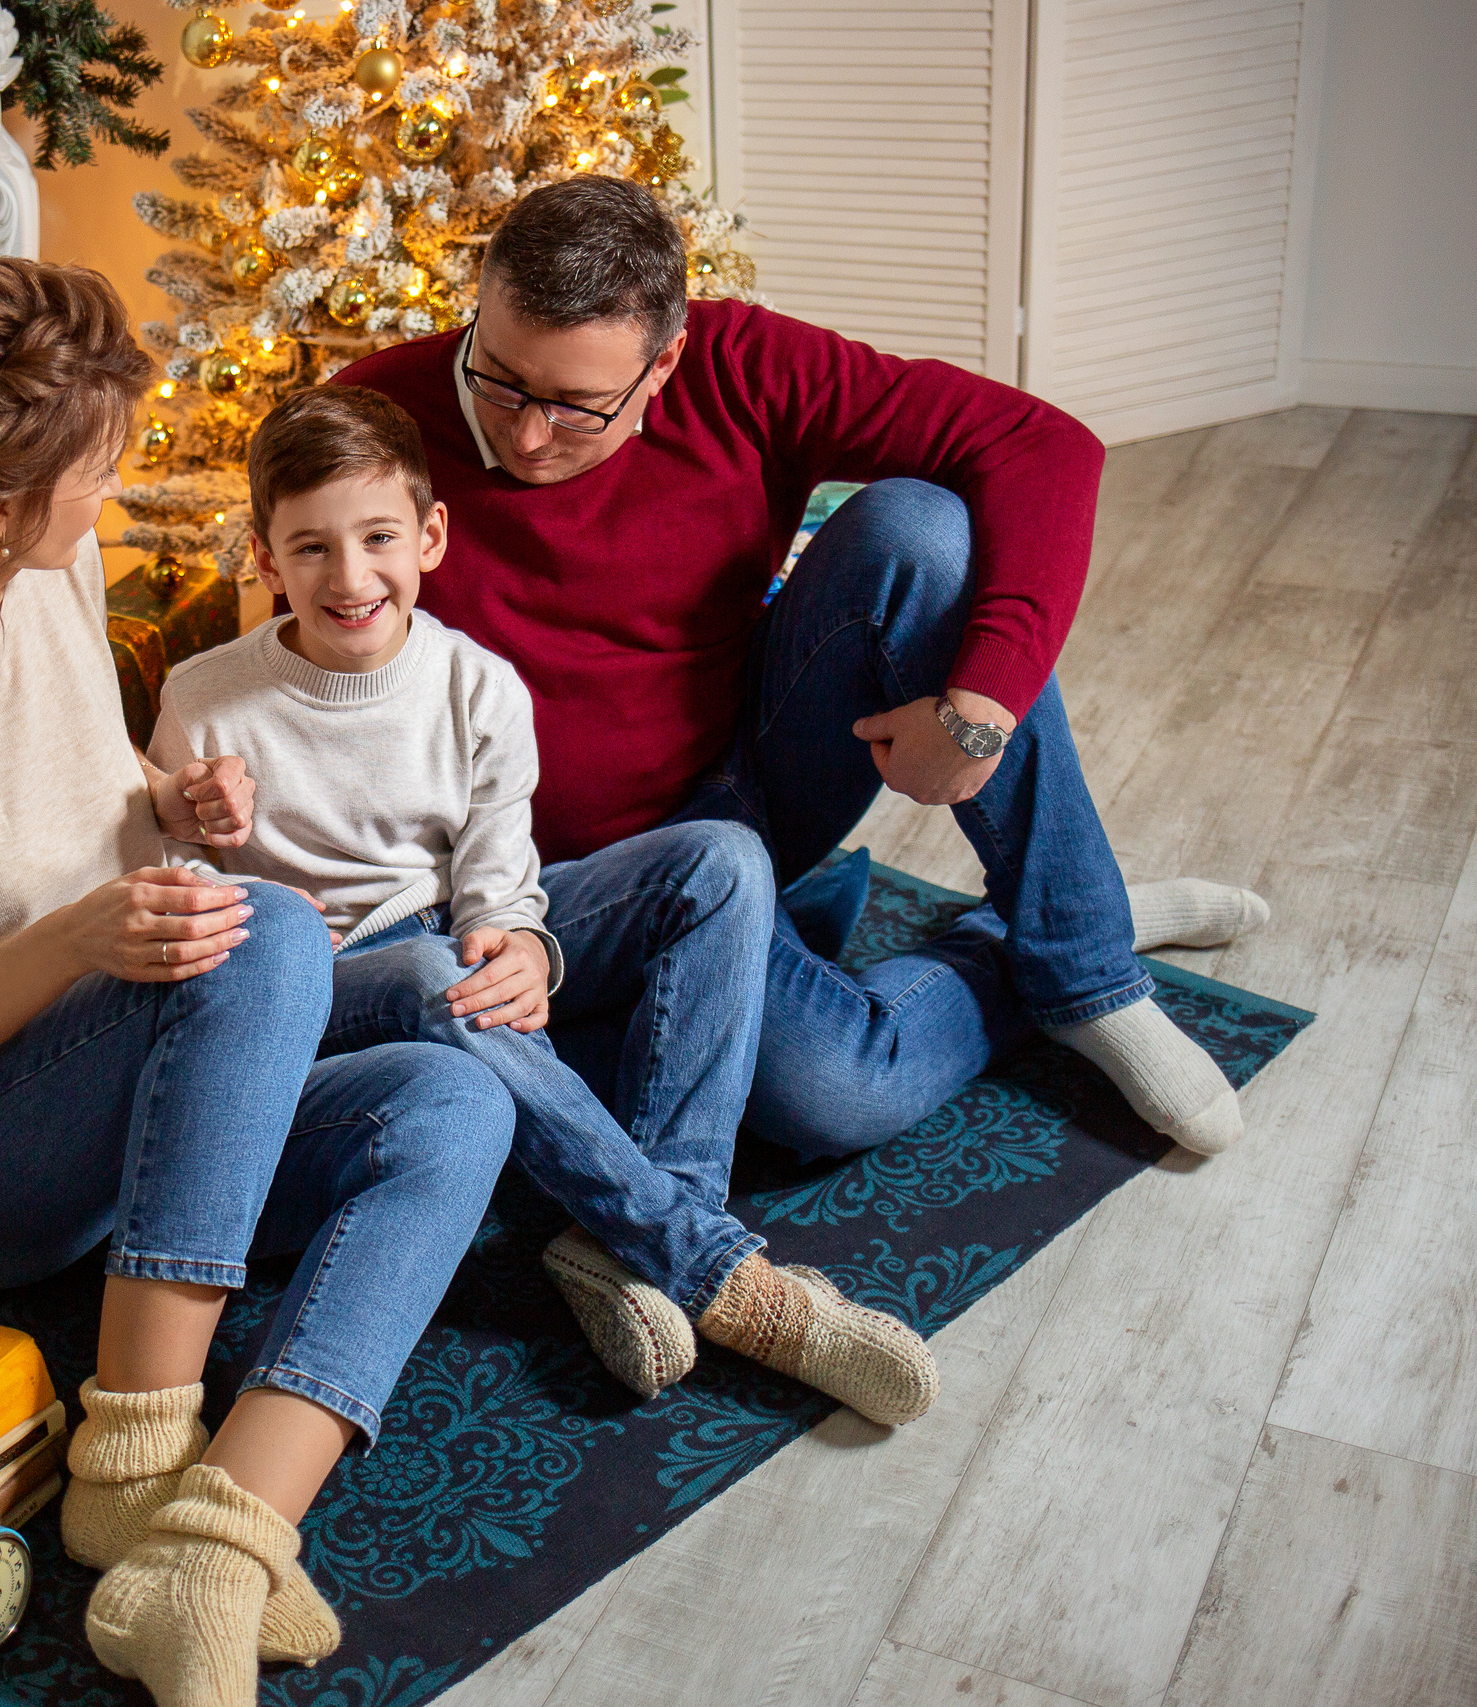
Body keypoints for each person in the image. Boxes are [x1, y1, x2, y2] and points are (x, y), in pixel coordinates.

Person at [0, 255, 514, 1707]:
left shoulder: (53, 570)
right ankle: (130, 1462)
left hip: (137, 1090)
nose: (111, 492)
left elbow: (93, 803)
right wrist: (77, 939)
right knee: (279, 934)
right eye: (94, 469)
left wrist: (182, 805)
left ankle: (221, 1542)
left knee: (447, 1099)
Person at [339, 174, 1272, 1172]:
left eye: (575, 408)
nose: (525, 435)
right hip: (548, 885)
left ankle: (1088, 969)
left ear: (665, 365)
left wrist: (980, 712)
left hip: (746, 781)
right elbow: (313, 682)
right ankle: (1073, 920)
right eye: (502, 378)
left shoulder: (743, 366)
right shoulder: (375, 413)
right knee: (834, 1092)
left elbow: (1040, 445)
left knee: (921, 534)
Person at [150, 385, 937, 1427]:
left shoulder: (477, 685)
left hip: (444, 937)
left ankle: (642, 1241)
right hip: (325, 986)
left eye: (377, 537)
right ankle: (717, 1275)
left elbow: (493, 862)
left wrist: (518, 934)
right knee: (439, 973)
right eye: (310, 549)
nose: (348, 578)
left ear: (429, 536)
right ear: (263, 556)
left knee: (722, 860)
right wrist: (200, 830)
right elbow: (172, 901)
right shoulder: (205, 697)